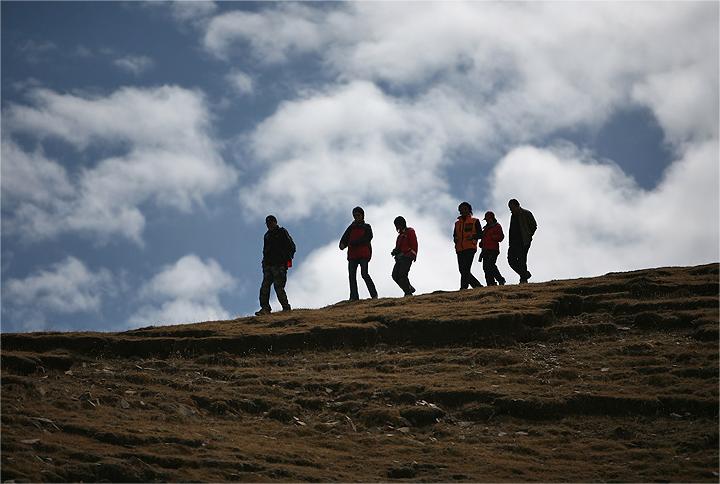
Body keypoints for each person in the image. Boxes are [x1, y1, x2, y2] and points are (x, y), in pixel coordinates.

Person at [255, 215, 296, 316]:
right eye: (267, 223)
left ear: (275, 222)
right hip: (268, 265)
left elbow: (292, 247)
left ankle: (286, 308)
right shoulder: (267, 236)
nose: (268, 225)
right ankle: (265, 309)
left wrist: (286, 260)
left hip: (279, 265)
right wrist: (264, 264)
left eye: (270, 222)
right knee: (264, 287)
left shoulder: (282, 232)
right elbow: (265, 251)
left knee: (278, 287)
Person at [339, 206, 378, 301]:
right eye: (355, 215)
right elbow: (344, 238)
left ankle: (374, 295)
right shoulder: (351, 227)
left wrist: (355, 242)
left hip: (363, 254)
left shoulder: (366, 227)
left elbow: (368, 237)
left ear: (362, 215)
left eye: (358, 215)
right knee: (352, 276)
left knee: (364, 274)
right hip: (352, 255)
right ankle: (354, 297)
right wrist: (342, 244)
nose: (356, 217)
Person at [453, 201, 483, 289]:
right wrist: (455, 239)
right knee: (462, 270)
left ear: (469, 210)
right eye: (461, 209)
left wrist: (473, 236)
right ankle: (477, 286)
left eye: (465, 209)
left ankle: (463, 288)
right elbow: (455, 235)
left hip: (470, 247)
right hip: (459, 249)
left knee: (465, 269)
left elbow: (480, 234)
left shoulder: (475, 221)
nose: (463, 211)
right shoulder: (457, 223)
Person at [507, 199, 537, 284]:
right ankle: (525, 274)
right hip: (513, 243)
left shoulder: (526, 213)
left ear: (517, 205)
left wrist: (528, 235)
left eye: (511, 207)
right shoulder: (512, 216)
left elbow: (534, 226)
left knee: (522, 260)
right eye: (510, 208)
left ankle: (523, 279)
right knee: (511, 260)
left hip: (524, 241)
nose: (510, 210)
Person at [390, 216, 417, 296]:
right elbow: (399, 248)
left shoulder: (410, 231)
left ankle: (408, 293)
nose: (397, 227)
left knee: (402, 275)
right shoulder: (400, 236)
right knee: (395, 275)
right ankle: (408, 288)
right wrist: (395, 251)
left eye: (398, 225)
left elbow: (414, 244)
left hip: (407, 257)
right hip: (399, 258)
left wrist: (413, 254)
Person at [479, 211, 506, 286]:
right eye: (486, 219)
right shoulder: (485, 228)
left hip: (493, 249)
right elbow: (483, 238)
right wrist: (481, 243)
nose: (487, 220)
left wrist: (493, 237)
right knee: (485, 267)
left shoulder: (497, 226)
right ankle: (490, 284)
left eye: (488, 219)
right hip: (485, 250)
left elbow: (501, 237)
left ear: (492, 218)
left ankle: (500, 280)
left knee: (490, 265)